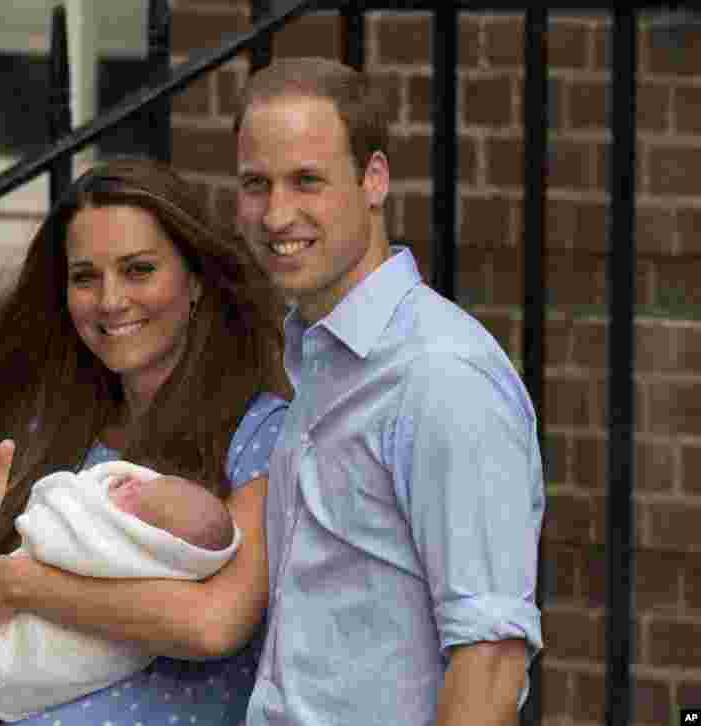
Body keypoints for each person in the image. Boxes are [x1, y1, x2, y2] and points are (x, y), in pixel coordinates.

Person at [0, 157, 292, 726]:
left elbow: (211, 626)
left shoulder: (261, 435)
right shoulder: (50, 432)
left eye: (139, 270)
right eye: (85, 276)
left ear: (195, 281)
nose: (110, 300)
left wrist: (24, 585)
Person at [233, 57, 545, 726]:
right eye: (256, 184)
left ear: (374, 179)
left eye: (306, 181)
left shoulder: (441, 375)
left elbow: (490, 660)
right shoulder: (319, 360)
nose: (276, 213)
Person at [0, 461, 242, 726]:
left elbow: (209, 629)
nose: (129, 486)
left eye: (138, 499)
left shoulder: (260, 442)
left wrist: (18, 582)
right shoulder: (41, 424)